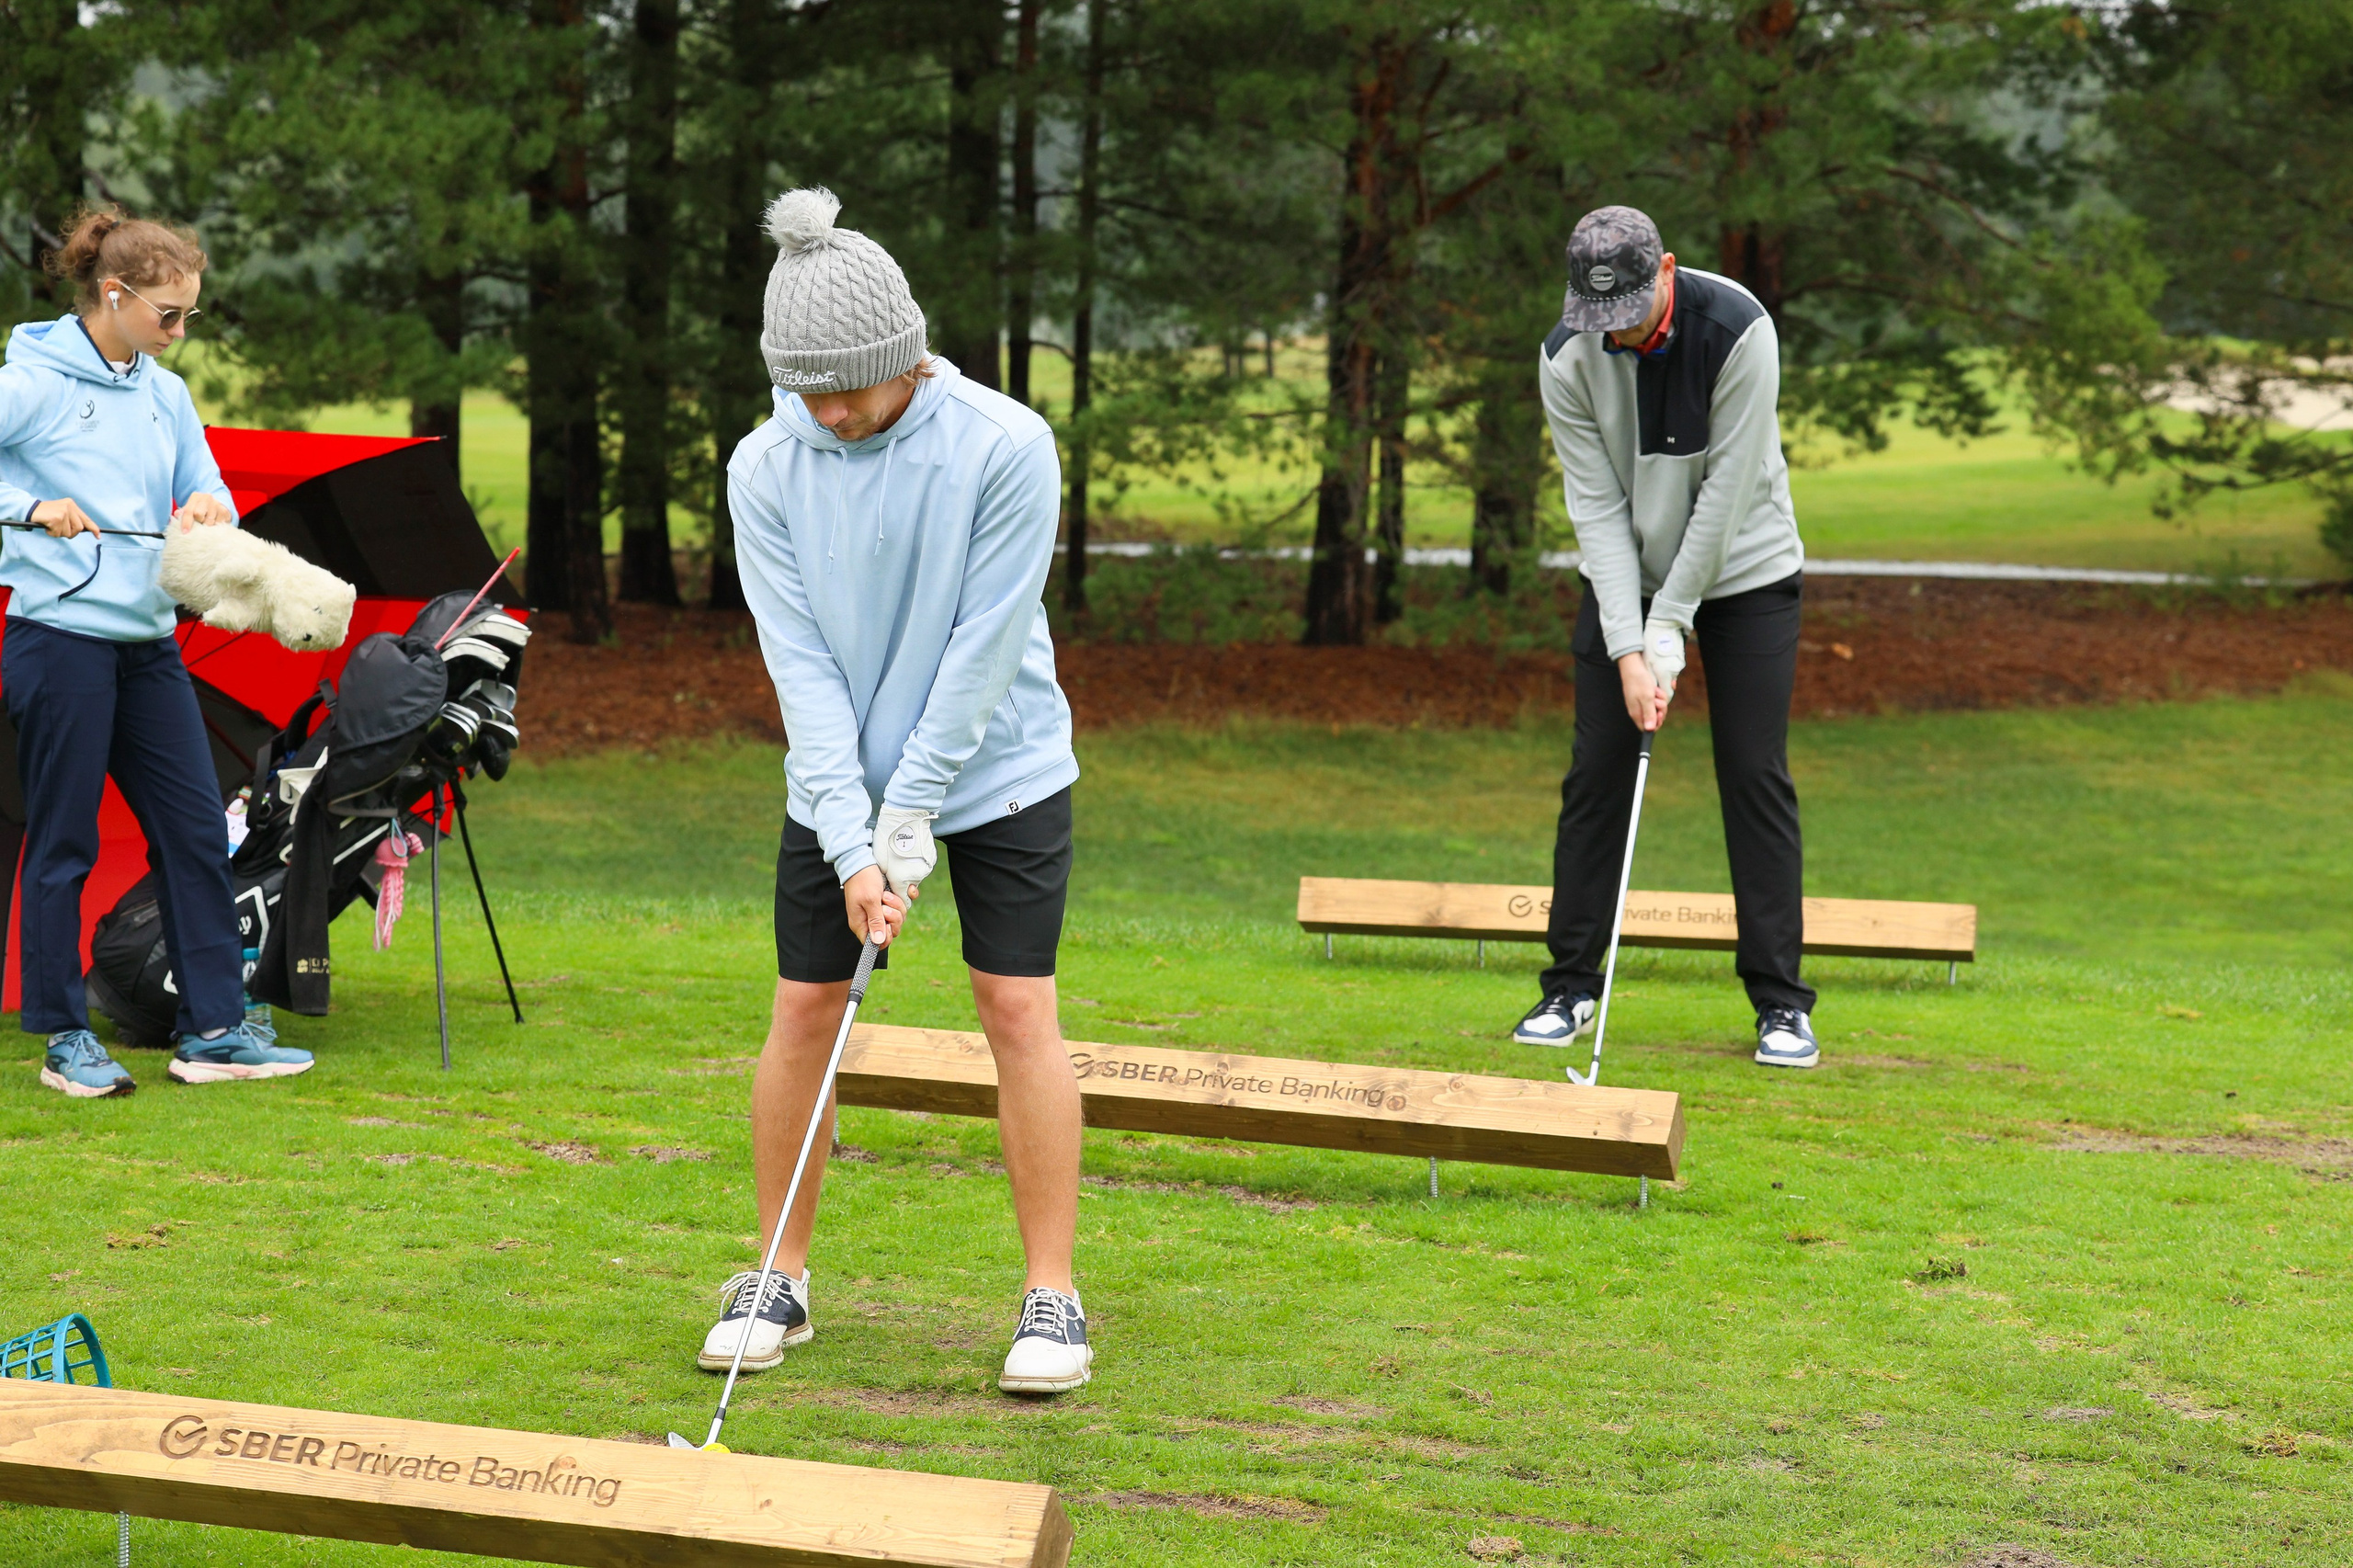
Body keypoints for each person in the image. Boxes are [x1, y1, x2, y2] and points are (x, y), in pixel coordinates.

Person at [699, 187, 1090, 1394]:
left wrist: (906, 824)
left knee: (1014, 1005)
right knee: (807, 1006)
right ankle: (778, 1274)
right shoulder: (767, 464)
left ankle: (1052, 1294)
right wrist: (847, 832)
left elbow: (979, 652)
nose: (826, 413)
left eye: (846, 391)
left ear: (902, 359)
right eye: (805, 391)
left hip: (1005, 762)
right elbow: (799, 662)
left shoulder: (1007, 445)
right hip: (839, 782)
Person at [0, 208, 313, 1096]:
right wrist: (30, 508)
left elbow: (203, 481)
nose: (179, 333)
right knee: (63, 843)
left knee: (194, 832)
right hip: (58, 642)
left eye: (190, 317)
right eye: (167, 315)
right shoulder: (32, 381)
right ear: (114, 294)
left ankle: (215, 1028)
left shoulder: (165, 394)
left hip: (148, 647)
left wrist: (213, 506)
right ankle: (65, 1038)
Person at [1513, 204, 1820, 1070]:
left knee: (1754, 774)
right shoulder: (1564, 356)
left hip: (1746, 575)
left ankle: (1781, 1004)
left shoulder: (1740, 330)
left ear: (1667, 272)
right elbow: (1598, 509)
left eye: (1628, 313)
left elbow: (1725, 498)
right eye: (1595, 317)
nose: (1612, 334)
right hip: (1627, 582)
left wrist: (1670, 626)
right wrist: (1627, 645)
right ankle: (1569, 987)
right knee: (1595, 775)